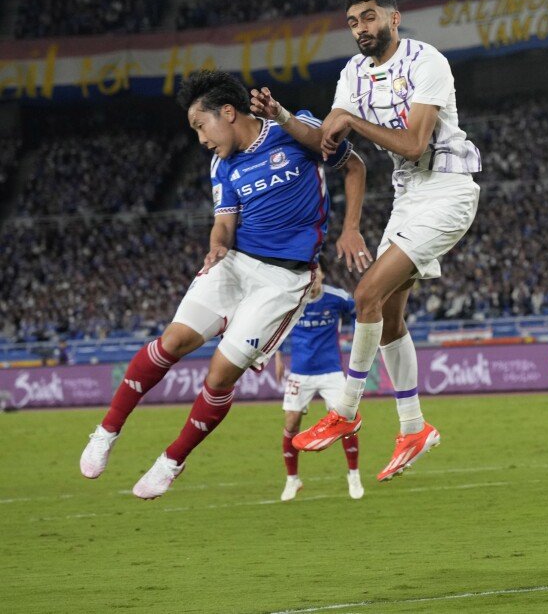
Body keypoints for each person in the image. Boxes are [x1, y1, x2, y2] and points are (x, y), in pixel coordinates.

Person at [79, 70, 365, 499]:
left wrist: (351, 227)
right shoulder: (222, 164)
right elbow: (224, 223)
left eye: (200, 125)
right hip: (234, 263)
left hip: (283, 279)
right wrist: (215, 247)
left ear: (227, 113)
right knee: (172, 342)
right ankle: (106, 430)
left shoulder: (292, 129)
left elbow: (341, 155)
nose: (201, 139)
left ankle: (171, 460)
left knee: (219, 374)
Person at [252, 0, 480, 481]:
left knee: (366, 294)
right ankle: (414, 427)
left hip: (447, 190)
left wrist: (352, 119)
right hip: (407, 197)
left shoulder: (427, 62)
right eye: (353, 22)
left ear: (394, 19)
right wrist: (283, 117)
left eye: (369, 18)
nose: (361, 28)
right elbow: (327, 138)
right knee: (390, 316)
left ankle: (347, 409)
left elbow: (416, 141)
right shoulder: (352, 74)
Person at [274, 265, 363, 501]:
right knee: (291, 423)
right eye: (310, 277)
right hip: (300, 372)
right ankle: (292, 479)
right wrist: (278, 356)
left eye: (317, 276)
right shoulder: (294, 300)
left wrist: (359, 339)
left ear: (322, 276)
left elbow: (358, 313)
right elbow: (281, 327)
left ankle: (353, 474)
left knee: (346, 421)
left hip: (331, 371)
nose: (314, 281)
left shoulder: (338, 298)